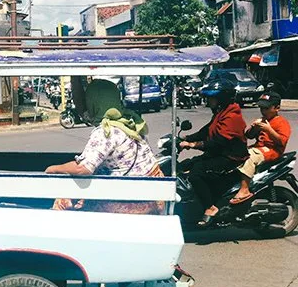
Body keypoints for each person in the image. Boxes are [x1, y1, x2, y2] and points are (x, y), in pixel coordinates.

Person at [45, 79, 164, 215]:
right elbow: (83, 112)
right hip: (151, 196)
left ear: (93, 102)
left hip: (131, 202)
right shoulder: (128, 121)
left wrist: (53, 169)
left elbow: (83, 168)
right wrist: (75, 78)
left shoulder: (106, 132)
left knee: (65, 199)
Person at [179, 78, 248, 225]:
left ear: (221, 99)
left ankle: (210, 207)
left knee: (196, 173)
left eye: (211, 98)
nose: (208, 101)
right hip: (219, 154)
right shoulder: (221, 113)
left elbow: (217, 142)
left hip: (231, 158)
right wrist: (184, 138)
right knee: (185, 165)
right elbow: (206, 131)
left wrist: (193, 144)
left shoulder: (232, 116)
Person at [230, 92, 292, 204]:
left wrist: (269, 129)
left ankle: (244, 189)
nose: (263, 111)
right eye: (261, 108)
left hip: (272, 150)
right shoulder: (263, 120)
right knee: (236, 154)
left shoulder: (281, 122)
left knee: (249, 157)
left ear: (277, 108)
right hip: (259, 147)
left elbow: (282, 141)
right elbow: (249, 135)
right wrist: (254, 128)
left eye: (266, 108)